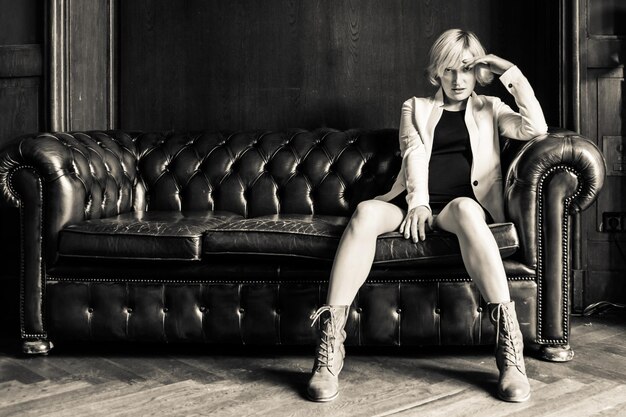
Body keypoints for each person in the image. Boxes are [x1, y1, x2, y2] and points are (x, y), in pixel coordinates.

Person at [306, 28, 548, 403]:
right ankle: (329, 348)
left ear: (479, 72)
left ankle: (510, 352)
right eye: (449, 70)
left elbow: (536, 128)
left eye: (467, 69)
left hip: (458, 208)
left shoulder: (490, 108)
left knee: (468, 208)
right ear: (437, 72)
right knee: (366, 212)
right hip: (411, 204)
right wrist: (418, 203)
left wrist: (509, 71)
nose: (458, 79)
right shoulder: (415, 107)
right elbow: (413, 153)